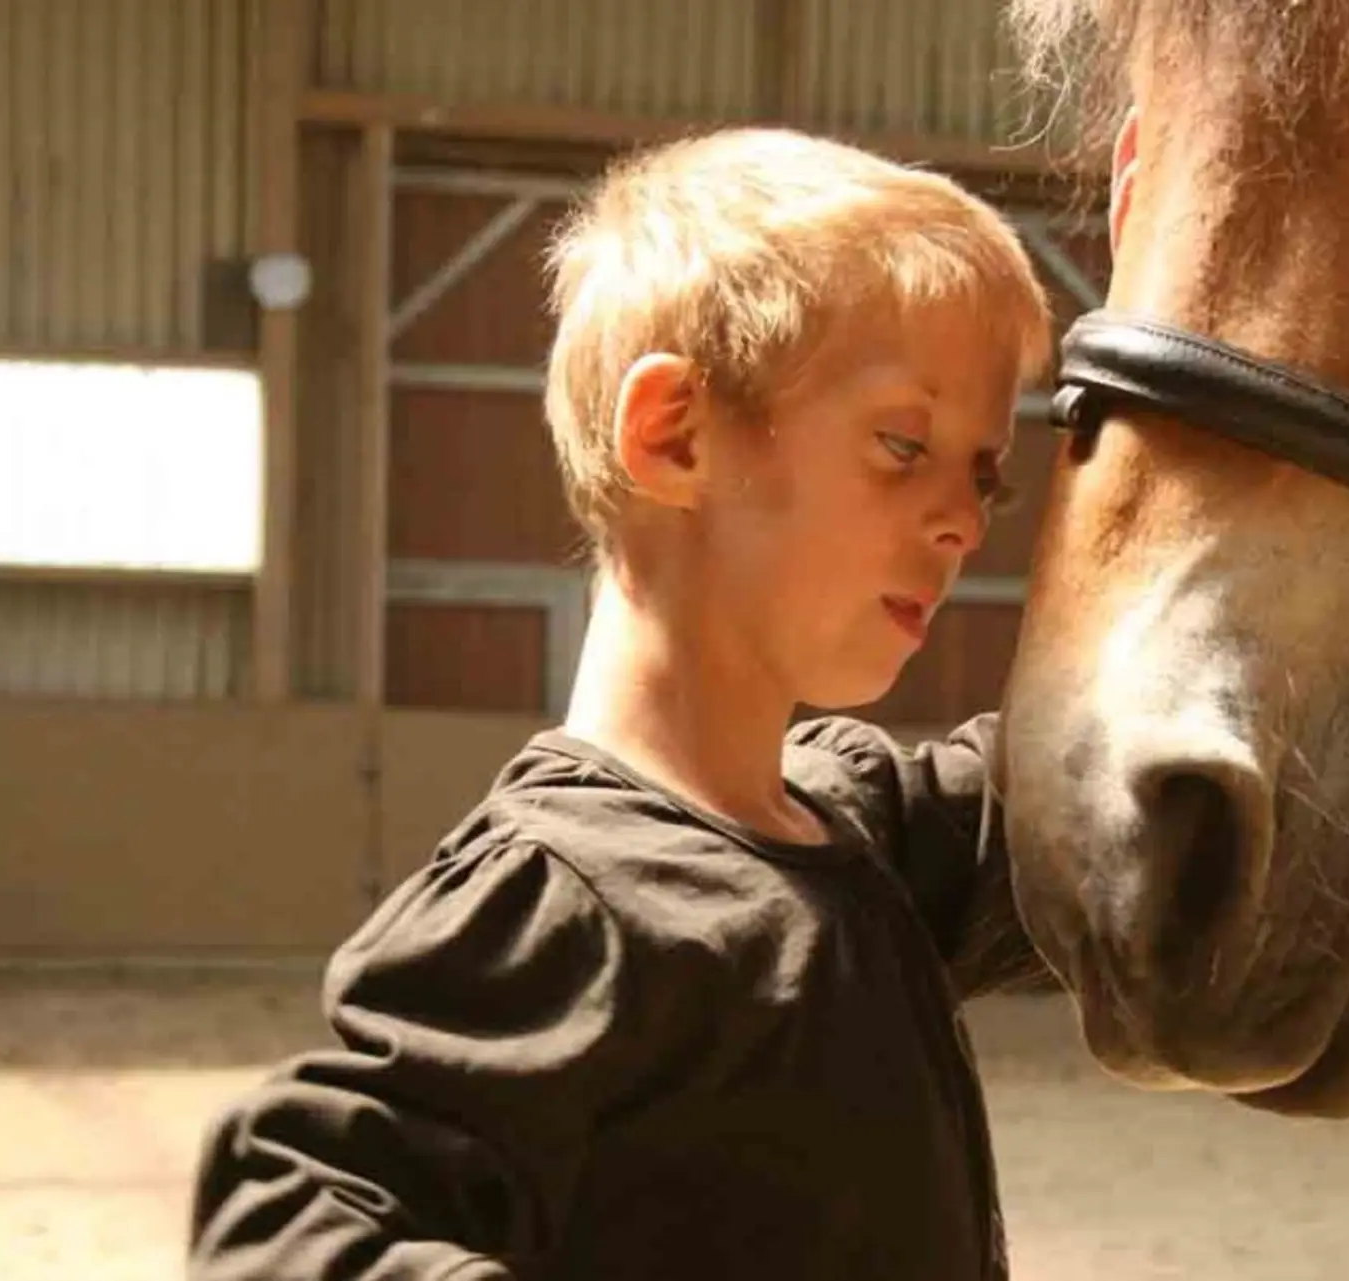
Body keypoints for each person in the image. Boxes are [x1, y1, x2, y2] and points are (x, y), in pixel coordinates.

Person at [186, 127, 1057, 1280]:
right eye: (904, 445)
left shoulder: (865, 828)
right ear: (674, 434)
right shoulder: (568, 901)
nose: (962, 521)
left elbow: (1093, 791)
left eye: (985, 475)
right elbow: (283, 1227)